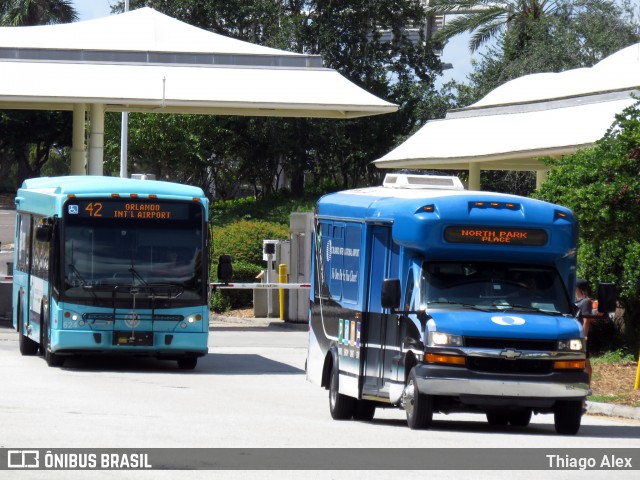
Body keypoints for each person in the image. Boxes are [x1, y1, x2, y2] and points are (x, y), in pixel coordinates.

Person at [575, 278, 593, 382]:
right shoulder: (575, 301)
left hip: (582, 336)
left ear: (577, 287)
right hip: (575, 336)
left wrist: (584, 337)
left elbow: (586, 321)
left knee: (585, 361)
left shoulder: (585, 302)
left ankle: (588, 385)